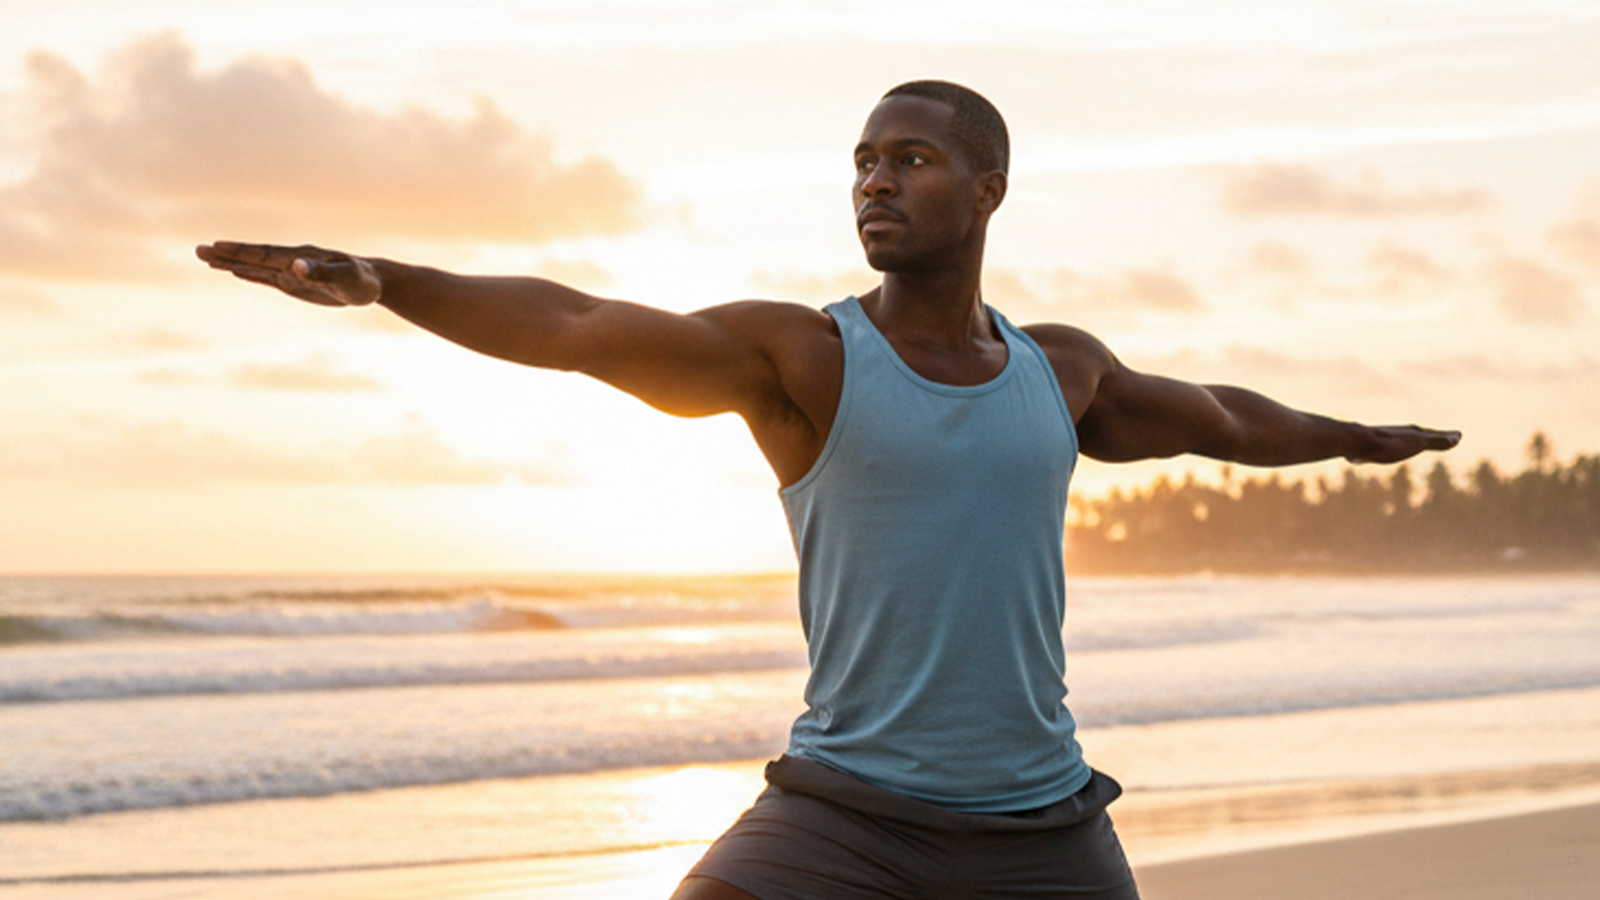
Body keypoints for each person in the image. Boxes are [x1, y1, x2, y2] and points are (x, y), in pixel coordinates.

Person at [197, 80, 1460, 900]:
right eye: (861, 162)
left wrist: (1357, 437)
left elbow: (1226, 418)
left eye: (908, 159)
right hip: (844, 824)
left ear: (986, 191)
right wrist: (388, 279)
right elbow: (580, 321)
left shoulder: (1062, 373)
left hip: (1046, 831)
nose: (874, 181)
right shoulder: (800, 358)